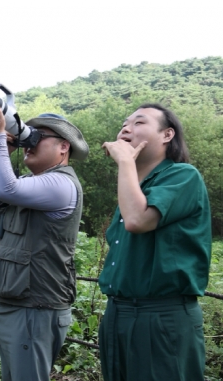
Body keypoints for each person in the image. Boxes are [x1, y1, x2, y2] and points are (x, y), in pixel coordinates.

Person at [0, 105, 89, 381]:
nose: (30, 141)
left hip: (35, 309)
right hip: (17, 305)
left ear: (63, 147)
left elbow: (5, 189)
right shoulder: (33, 183)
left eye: (40, 136)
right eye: (29, 135)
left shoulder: (61, 185)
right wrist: (7, 148)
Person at [98, 104, 211, 381]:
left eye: (139, 122)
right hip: (117, 312)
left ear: (167, 135)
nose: (125, 128)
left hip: (161, 316)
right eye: (124, 124)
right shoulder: (135, 187)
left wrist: (124, 162)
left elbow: (138, 220)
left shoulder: (184, 176)